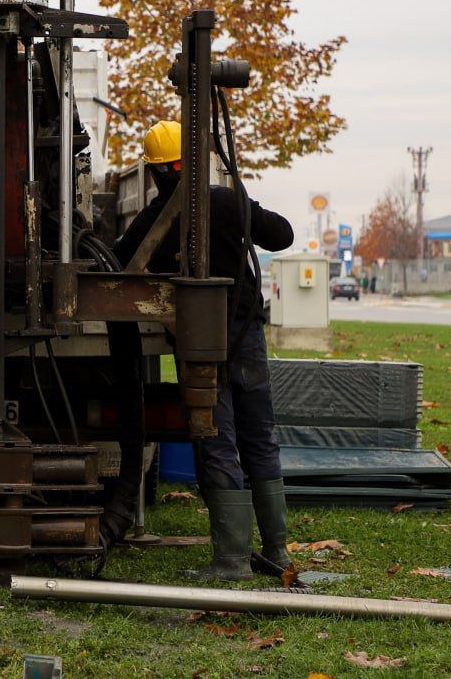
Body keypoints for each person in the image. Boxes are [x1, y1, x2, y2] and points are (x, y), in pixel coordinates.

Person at [113, 120, 294, 582]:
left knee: (216, 440)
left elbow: (116, 261)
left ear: (156, 173)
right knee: (259, 437)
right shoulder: (228, 201)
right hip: (246, 336)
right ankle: (276, 553)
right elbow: (283, 235)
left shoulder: (155, 218)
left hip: (198, 344)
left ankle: (232, 561)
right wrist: (242, 207)